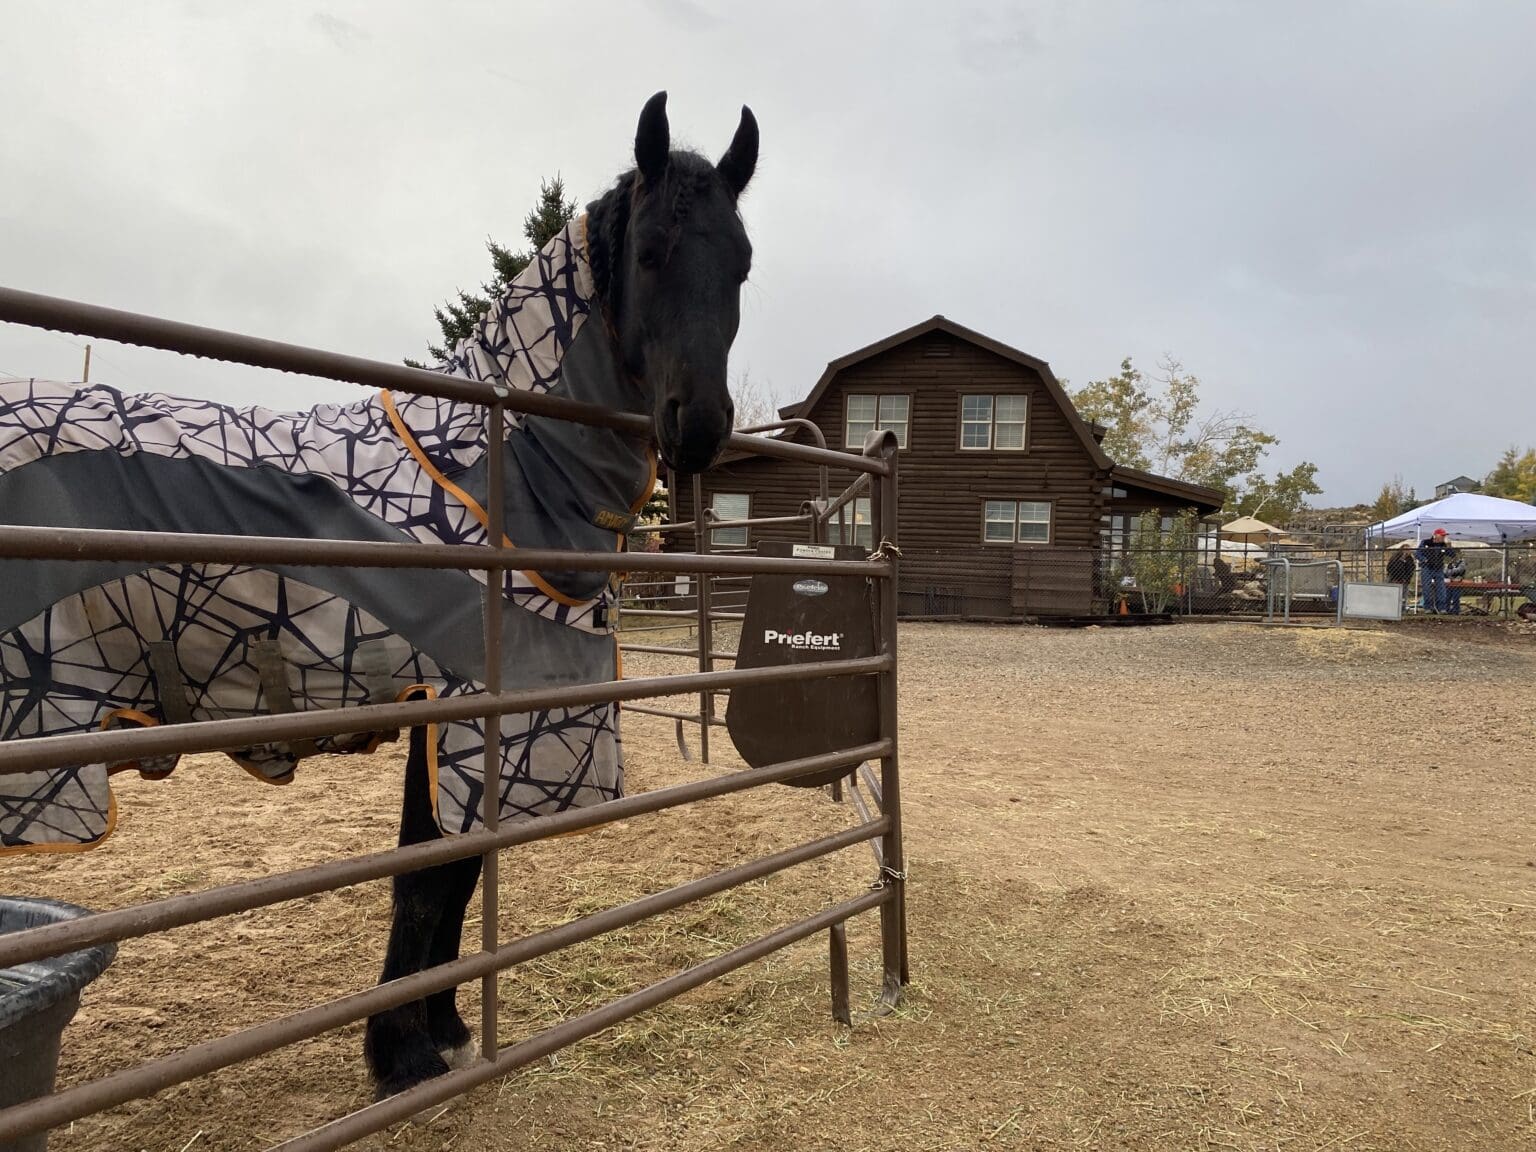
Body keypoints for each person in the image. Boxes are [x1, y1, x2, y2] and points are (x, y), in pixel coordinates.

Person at [1416, 529, 1451, 614]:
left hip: (1438, 568)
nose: (1444, 537)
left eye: (1444, 536)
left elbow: (1451, 554)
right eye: (1442, 535)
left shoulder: (1443, 545)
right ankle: (1428, 607)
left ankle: (1442, 608)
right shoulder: (1425, 542)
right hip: (1427, 568)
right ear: (1436, 535)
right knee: (1427, 588)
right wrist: (1424, 560)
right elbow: (1417, 553)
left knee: (1441, 588)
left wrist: (1449, 546)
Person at [1444, 545, 1466, 615]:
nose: (1454, 556)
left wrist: (1450, 571)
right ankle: (1446, 610)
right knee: (1447, 597)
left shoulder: (1461, 562)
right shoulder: (1450, 563)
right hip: (1449, 583)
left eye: (1456, 554)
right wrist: (1450, 572)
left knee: (1455, 598)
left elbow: (1459, 570)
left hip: (1457, 583)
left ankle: (1456, 611)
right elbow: (1445, 571)